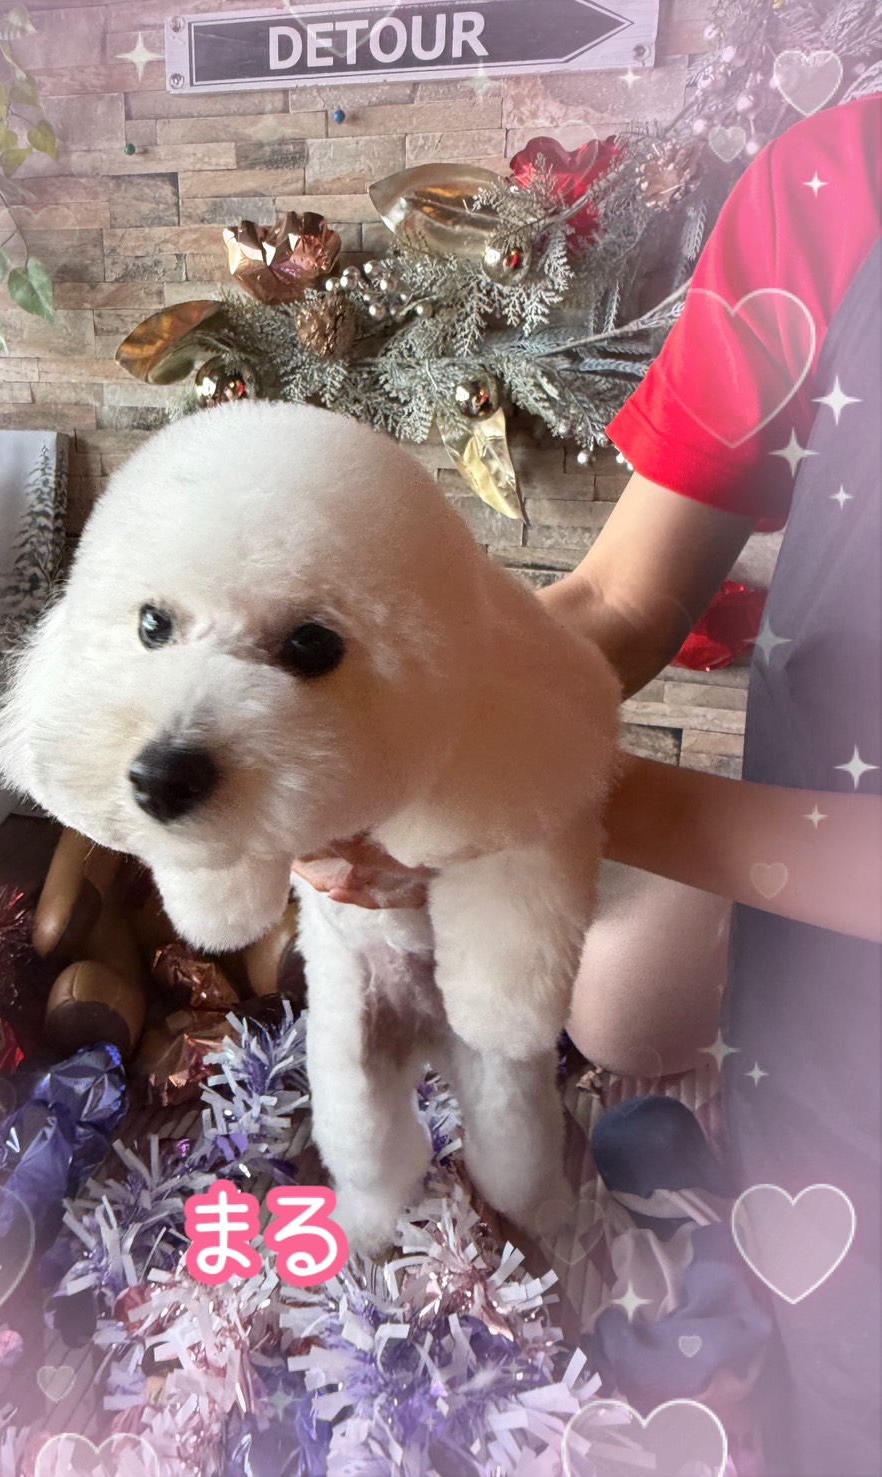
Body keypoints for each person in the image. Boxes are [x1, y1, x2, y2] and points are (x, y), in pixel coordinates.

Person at [294, 94, 881, 1476]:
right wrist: (435, 723)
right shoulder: (837, 184)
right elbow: (624, 592)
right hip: (824, 1062)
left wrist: (538, 789)